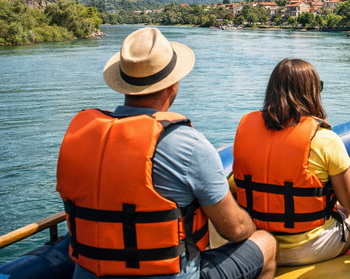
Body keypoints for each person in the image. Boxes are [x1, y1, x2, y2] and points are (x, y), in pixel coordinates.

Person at [56, 27, 276, 279]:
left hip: (86, 273)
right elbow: (234, 229)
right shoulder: (187, 144)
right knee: (265, 242)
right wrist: (251, 226)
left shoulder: (80, 134)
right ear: (173, 84)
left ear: (123, 85)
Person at [232, 58, 350, 266]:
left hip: (257, 244)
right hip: (306, 248)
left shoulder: (245, 129)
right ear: (312, 93)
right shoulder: (324, 139)